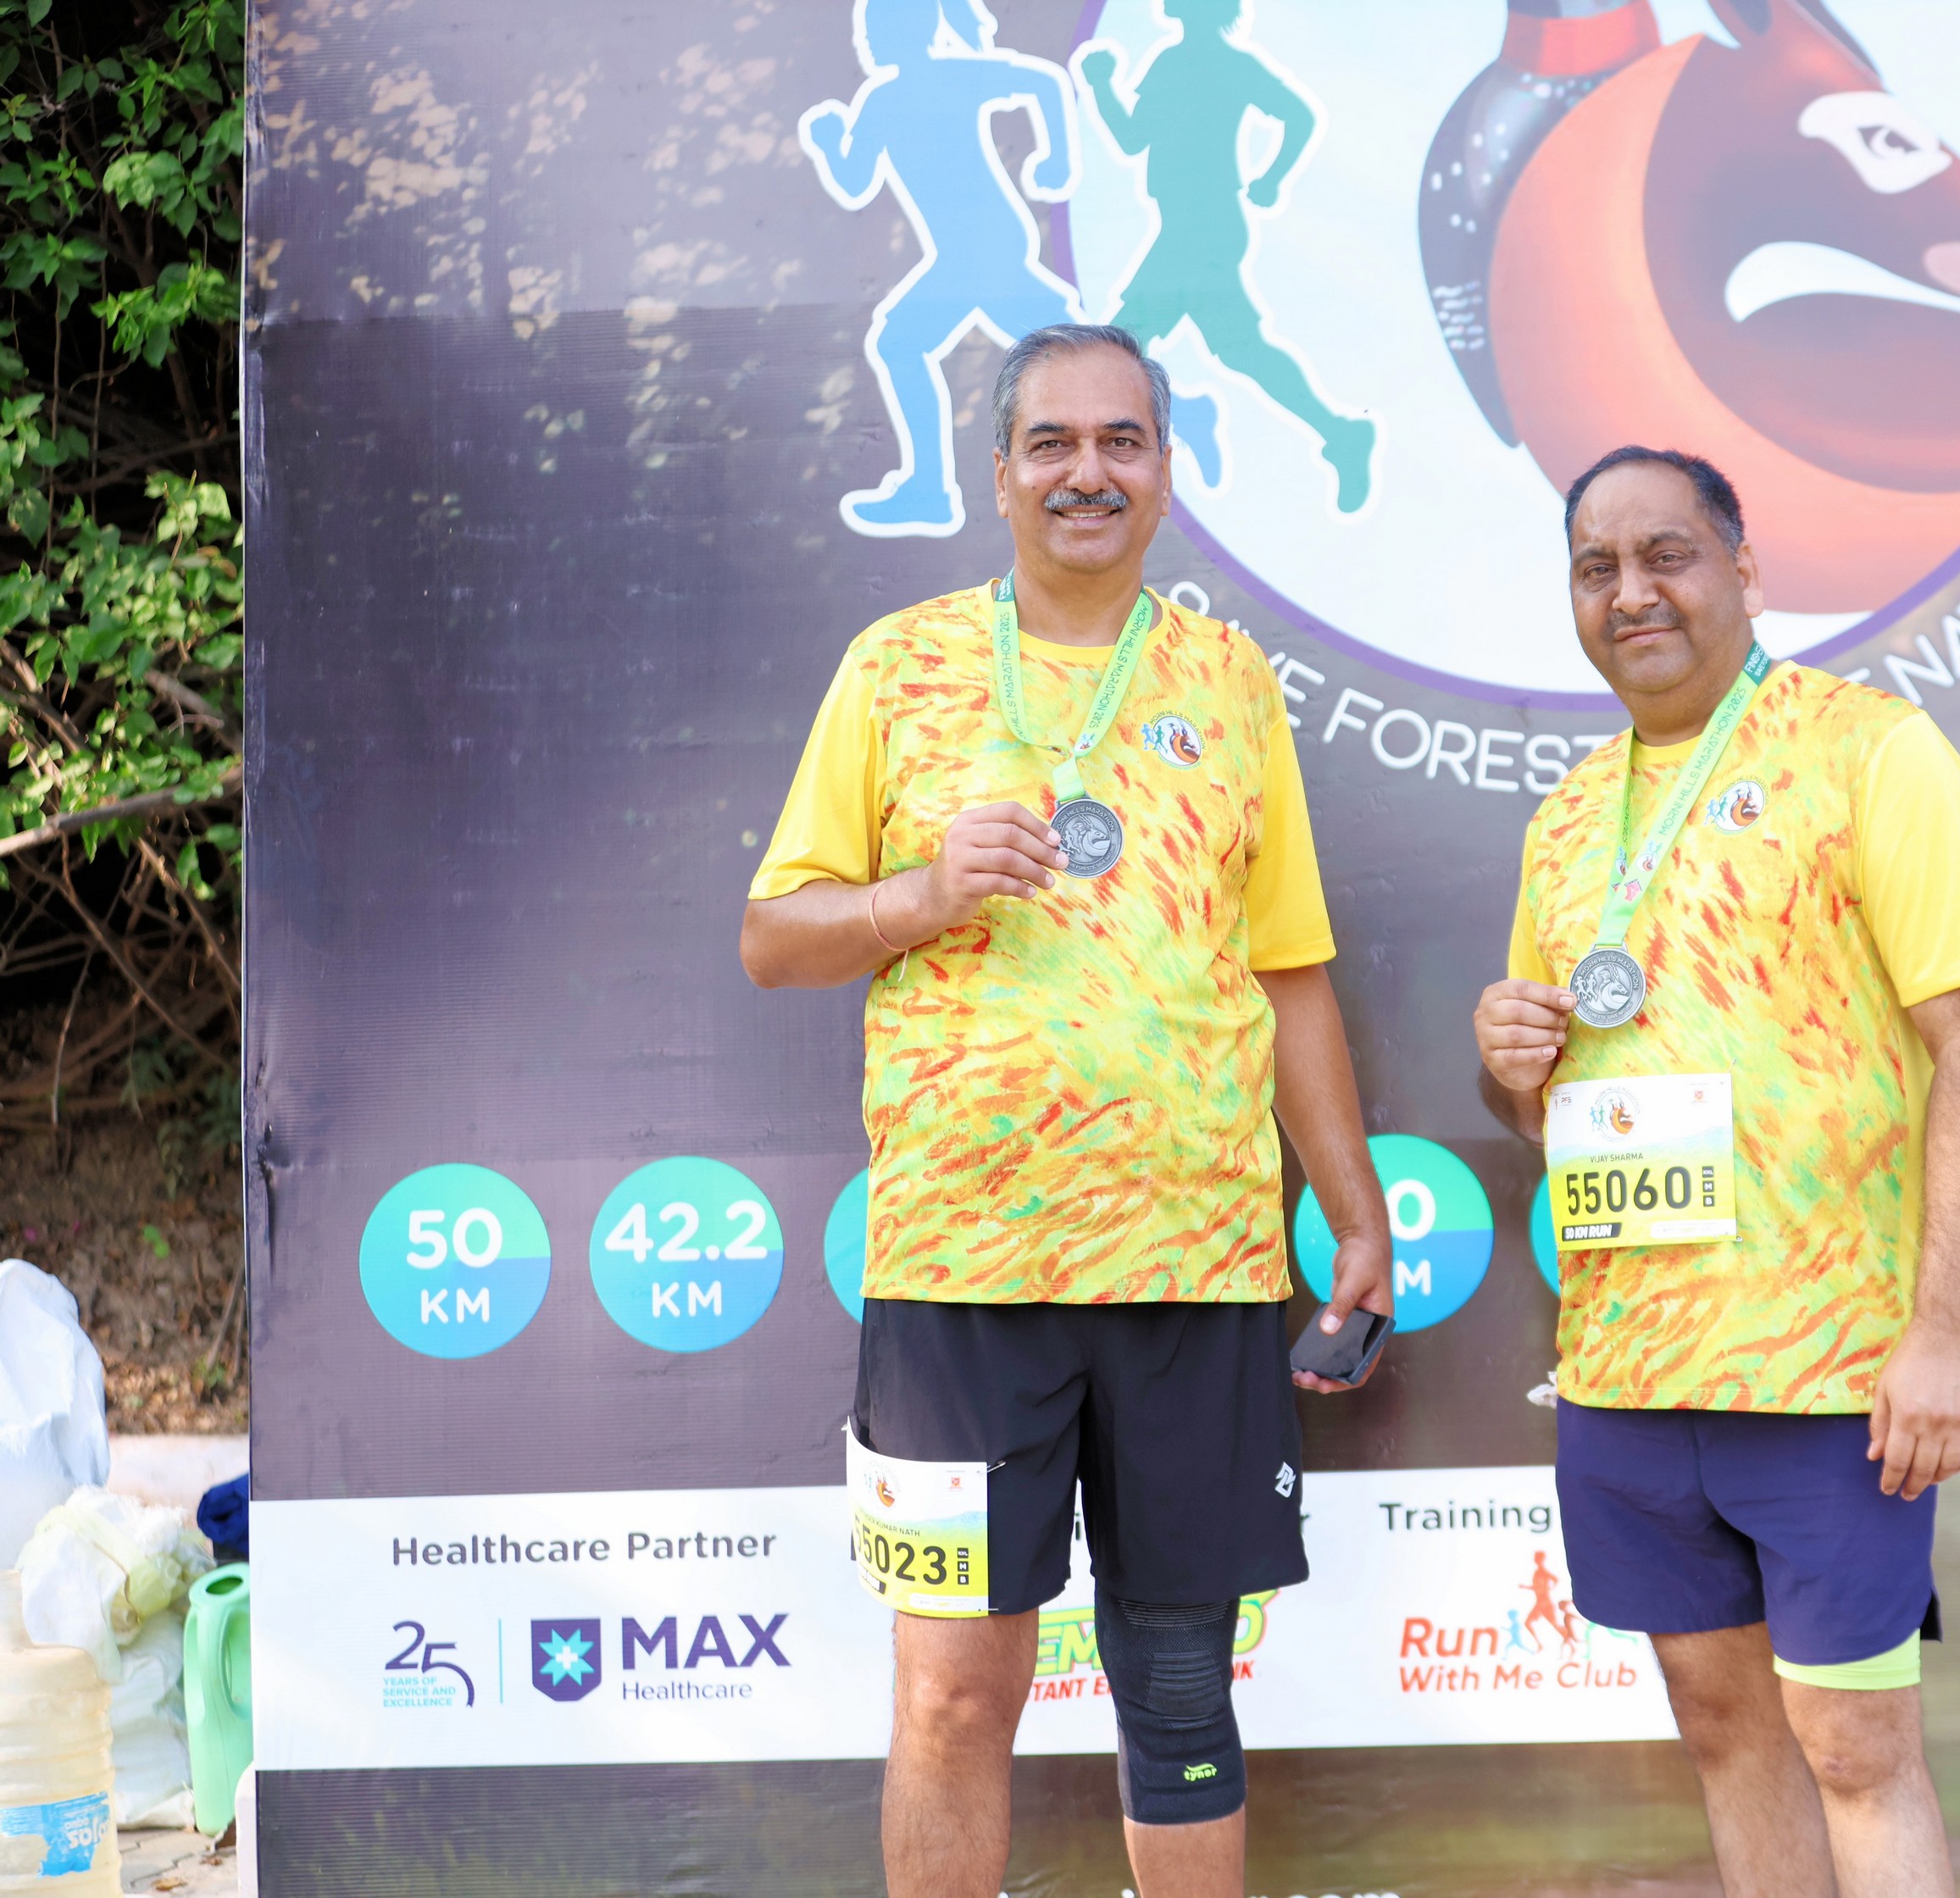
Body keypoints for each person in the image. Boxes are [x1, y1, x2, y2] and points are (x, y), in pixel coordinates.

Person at [741, 322, 1392, 1898]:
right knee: (954, 1696)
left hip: (1196, 1270)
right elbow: (772, 938)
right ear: (1000, 475)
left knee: (1178, 1690)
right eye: (1052, 443)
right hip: (962, 1278)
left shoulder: (1230, 682)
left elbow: (1288, 973)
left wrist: (1353, 1212)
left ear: (1165, 473)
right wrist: (916, 894)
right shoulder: (897, 668)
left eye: (1120, 441)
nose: (1086, 472)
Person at [1473, 447, 1960, 1896]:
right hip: (1630, 1372)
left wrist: (1947, 1334)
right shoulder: (1569, 818)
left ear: (1745, 569)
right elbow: (1544, 1111)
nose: (1632, 593)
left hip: (1832, 1371)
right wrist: (1509, 1059)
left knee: (1856, 1746)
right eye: (1597, 568)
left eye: (1668, 555)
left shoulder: (1871, 751)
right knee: (1725, 1733)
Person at [797, 0, 1081, 537]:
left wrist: (1057, 158)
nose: (867, 40)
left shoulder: (950, 76)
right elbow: (857, 182)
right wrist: (831, 143)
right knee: (1073, 345)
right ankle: (928, 490)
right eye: (867, 29)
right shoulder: (881, 99)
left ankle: (929, 490)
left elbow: (1043, 83)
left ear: (913, 31)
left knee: (903, 344)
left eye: (877, 28)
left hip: (985, 245)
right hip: (969, 251)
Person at [1078, 0, 1376, 510]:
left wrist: (1272, 177)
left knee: (1124, 347)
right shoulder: (1172, 62)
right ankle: (1339, 433)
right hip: (1190, 226)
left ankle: (1334, 433)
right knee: (1238, 350)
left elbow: (1298, 115)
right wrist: (1102, 84)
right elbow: (1133, 138)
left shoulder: (1227, 63)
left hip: (1204, 228)